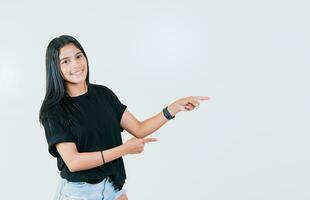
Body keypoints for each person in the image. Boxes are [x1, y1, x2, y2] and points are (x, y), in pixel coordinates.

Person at [39, 35, 210, 200]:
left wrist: (173, 108)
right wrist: (124, 149)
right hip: (79, 193)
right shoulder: (54, 111)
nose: (76, 64)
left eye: (79, 56)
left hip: (113, 186)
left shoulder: (103, 94)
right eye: (66, 61)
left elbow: (139, 129)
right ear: (55, 67)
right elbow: (73, 162)